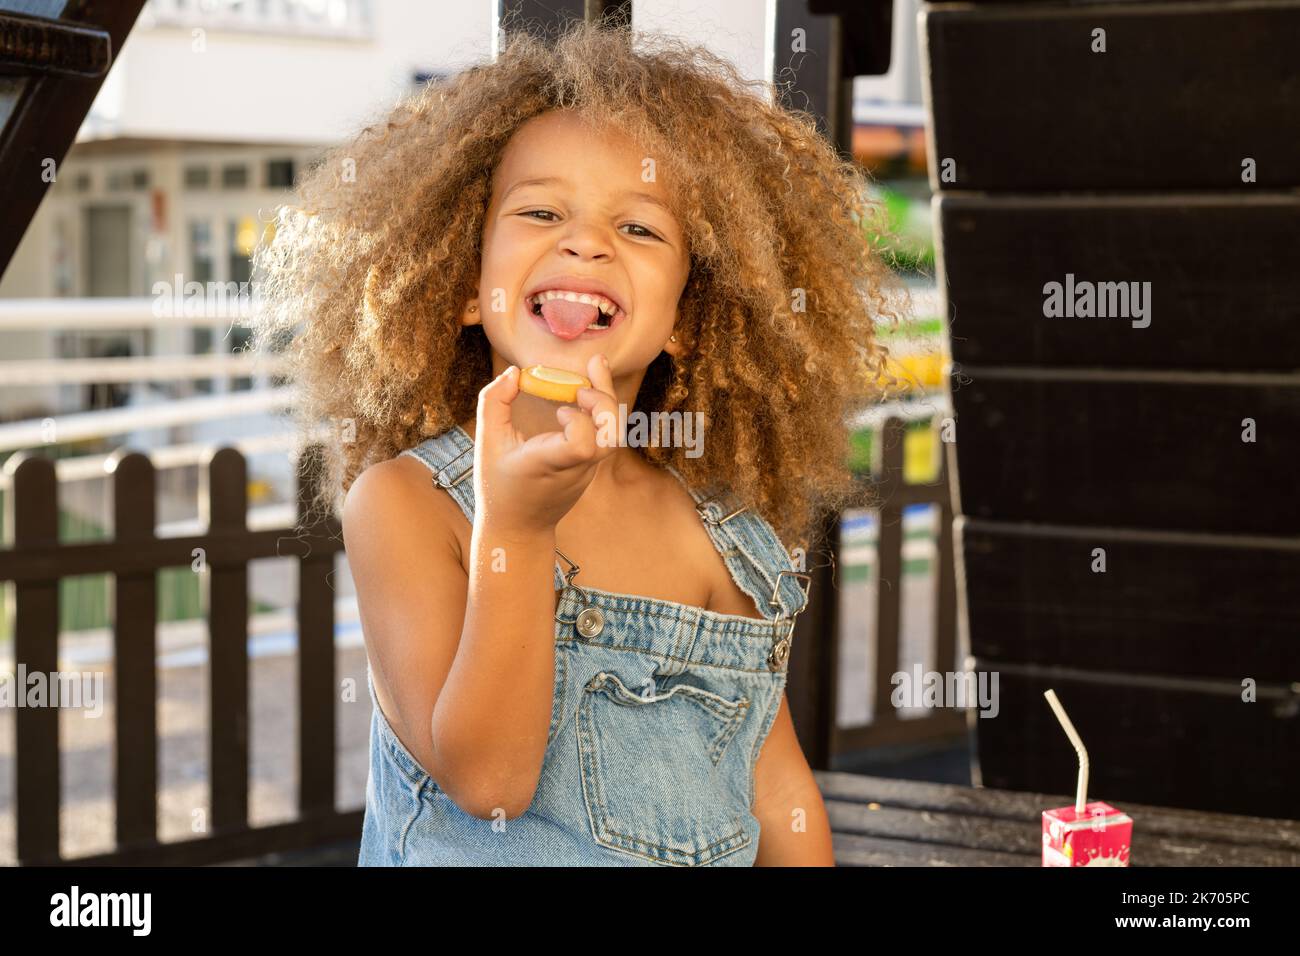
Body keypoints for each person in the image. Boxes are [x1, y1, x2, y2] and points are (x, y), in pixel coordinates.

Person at [253, 21, 901, 866]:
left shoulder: (723, 531)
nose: (586, 240)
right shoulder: (410, 505)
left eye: (639, 229)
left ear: (690, 322)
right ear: (460, 286)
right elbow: (489, 784)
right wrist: (517, 534)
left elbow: (776, 792)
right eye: (541, 211)